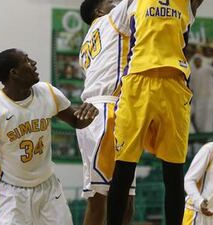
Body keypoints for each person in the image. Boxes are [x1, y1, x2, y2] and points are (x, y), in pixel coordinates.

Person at [0, 48, 99, 225]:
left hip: (48, 187)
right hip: (11, 193)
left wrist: (89, 113)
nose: (33, 62)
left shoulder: (47, 92)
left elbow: (76, 121)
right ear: (14, 73)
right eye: (26, 60)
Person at [106, 0, 205, 224]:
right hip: (137, 83)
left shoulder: (187, 3)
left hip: (174, 83)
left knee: (173, 172)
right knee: (123, 168)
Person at [76, 0, 136, 224]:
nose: (117, 3)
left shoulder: (86, 43)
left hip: (100, 110)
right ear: (99, 11)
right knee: (102, 197)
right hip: (107, 111)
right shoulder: (112, 19)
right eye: (111, 2)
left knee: (123, 198)